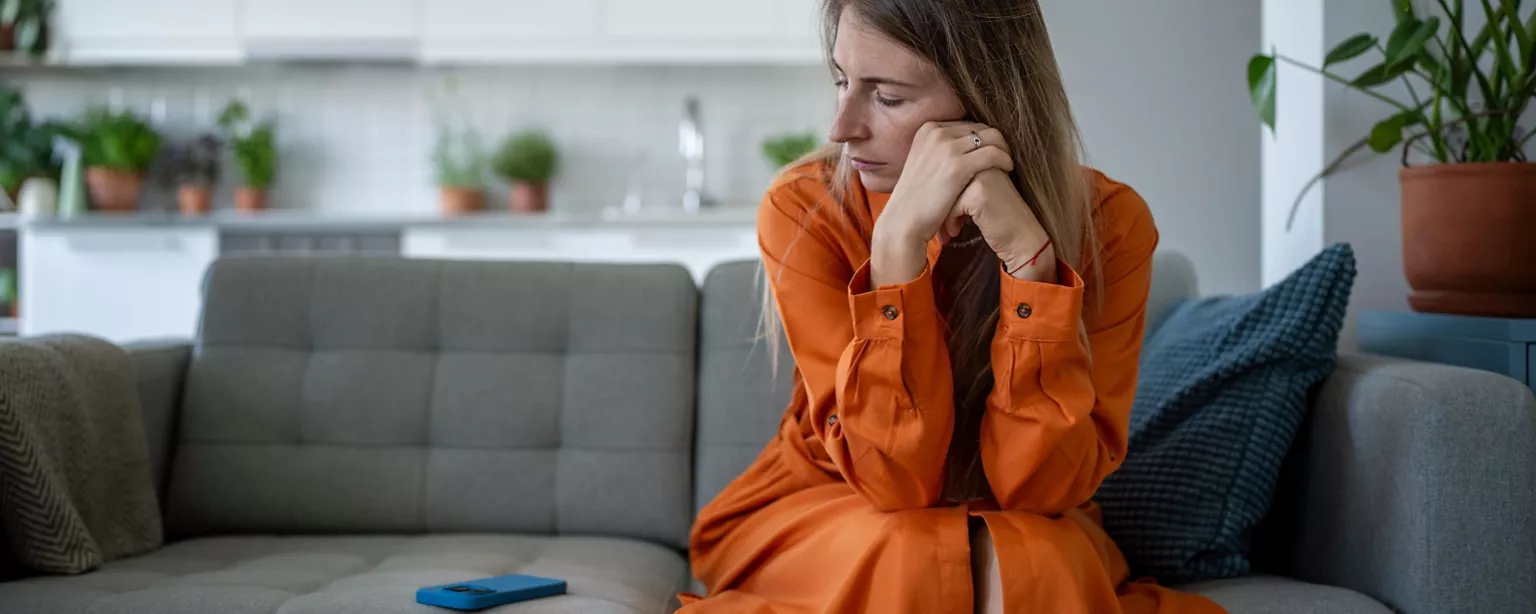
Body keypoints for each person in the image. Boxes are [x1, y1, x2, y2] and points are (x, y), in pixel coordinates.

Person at [677, 1, 1228, 613]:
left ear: (989, 100)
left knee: (1031, 565)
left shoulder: (1110, 226)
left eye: (887, 97)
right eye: (841, 81)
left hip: (1026, 520)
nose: (841, 127)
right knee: (920, 560)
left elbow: (1044, 488)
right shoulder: (805, 209)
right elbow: (893, 479)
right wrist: (895, 255)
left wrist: (1031, 268)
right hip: (830, 501)